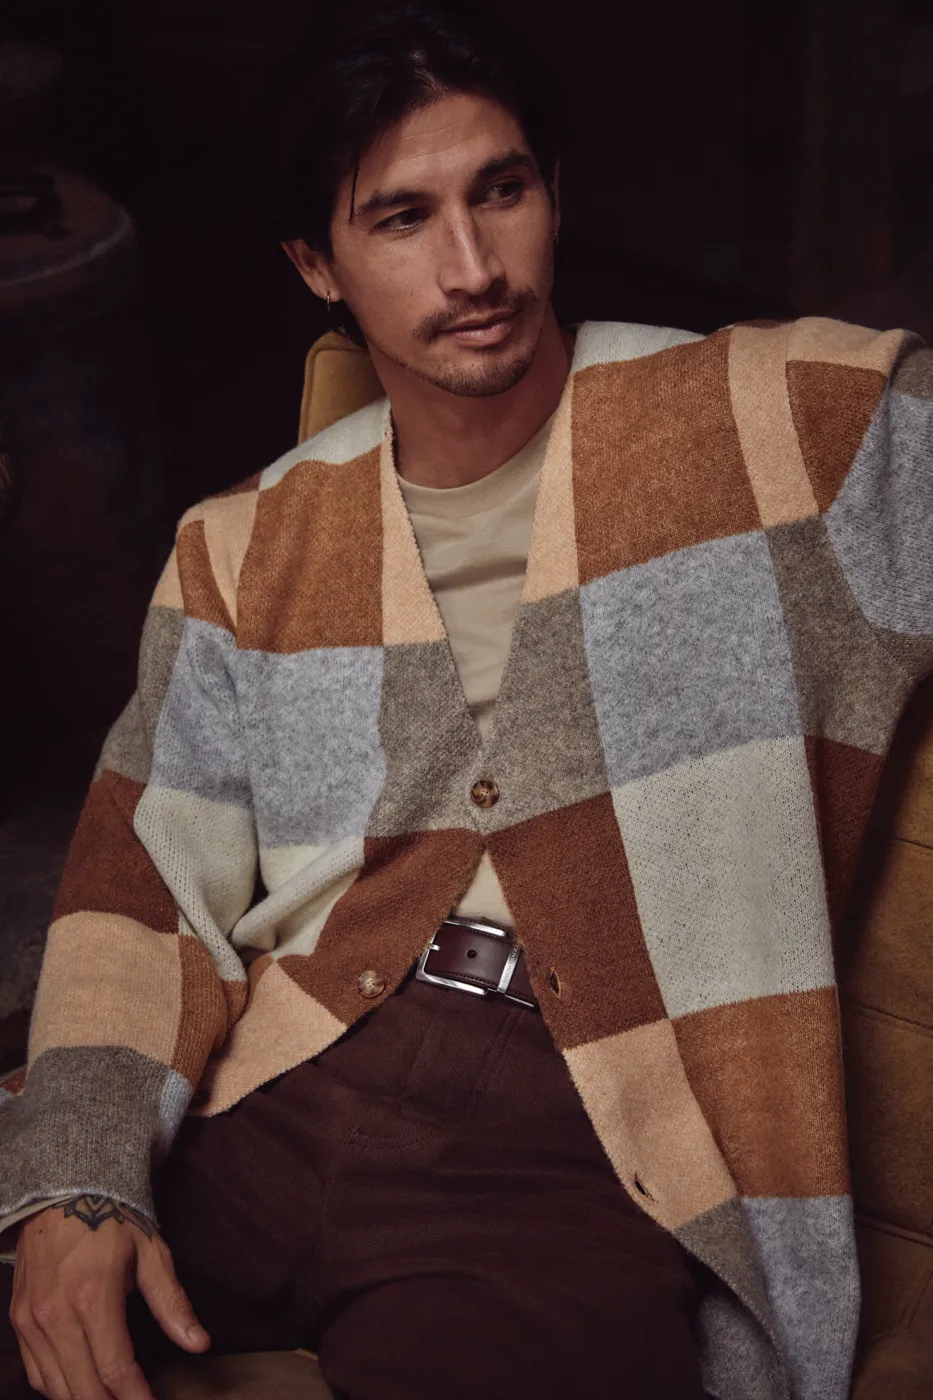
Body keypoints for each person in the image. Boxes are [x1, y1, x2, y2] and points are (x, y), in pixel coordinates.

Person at [2, 2, 932, 1397]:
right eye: (401, 218)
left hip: (572, 1144)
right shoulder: (243, 547)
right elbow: (141, 892)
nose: (474, 266)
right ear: (316, 264)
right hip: (277, 1080)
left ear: (554, 192)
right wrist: (76, 1182)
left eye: (501, 192)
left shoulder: (780, 427)